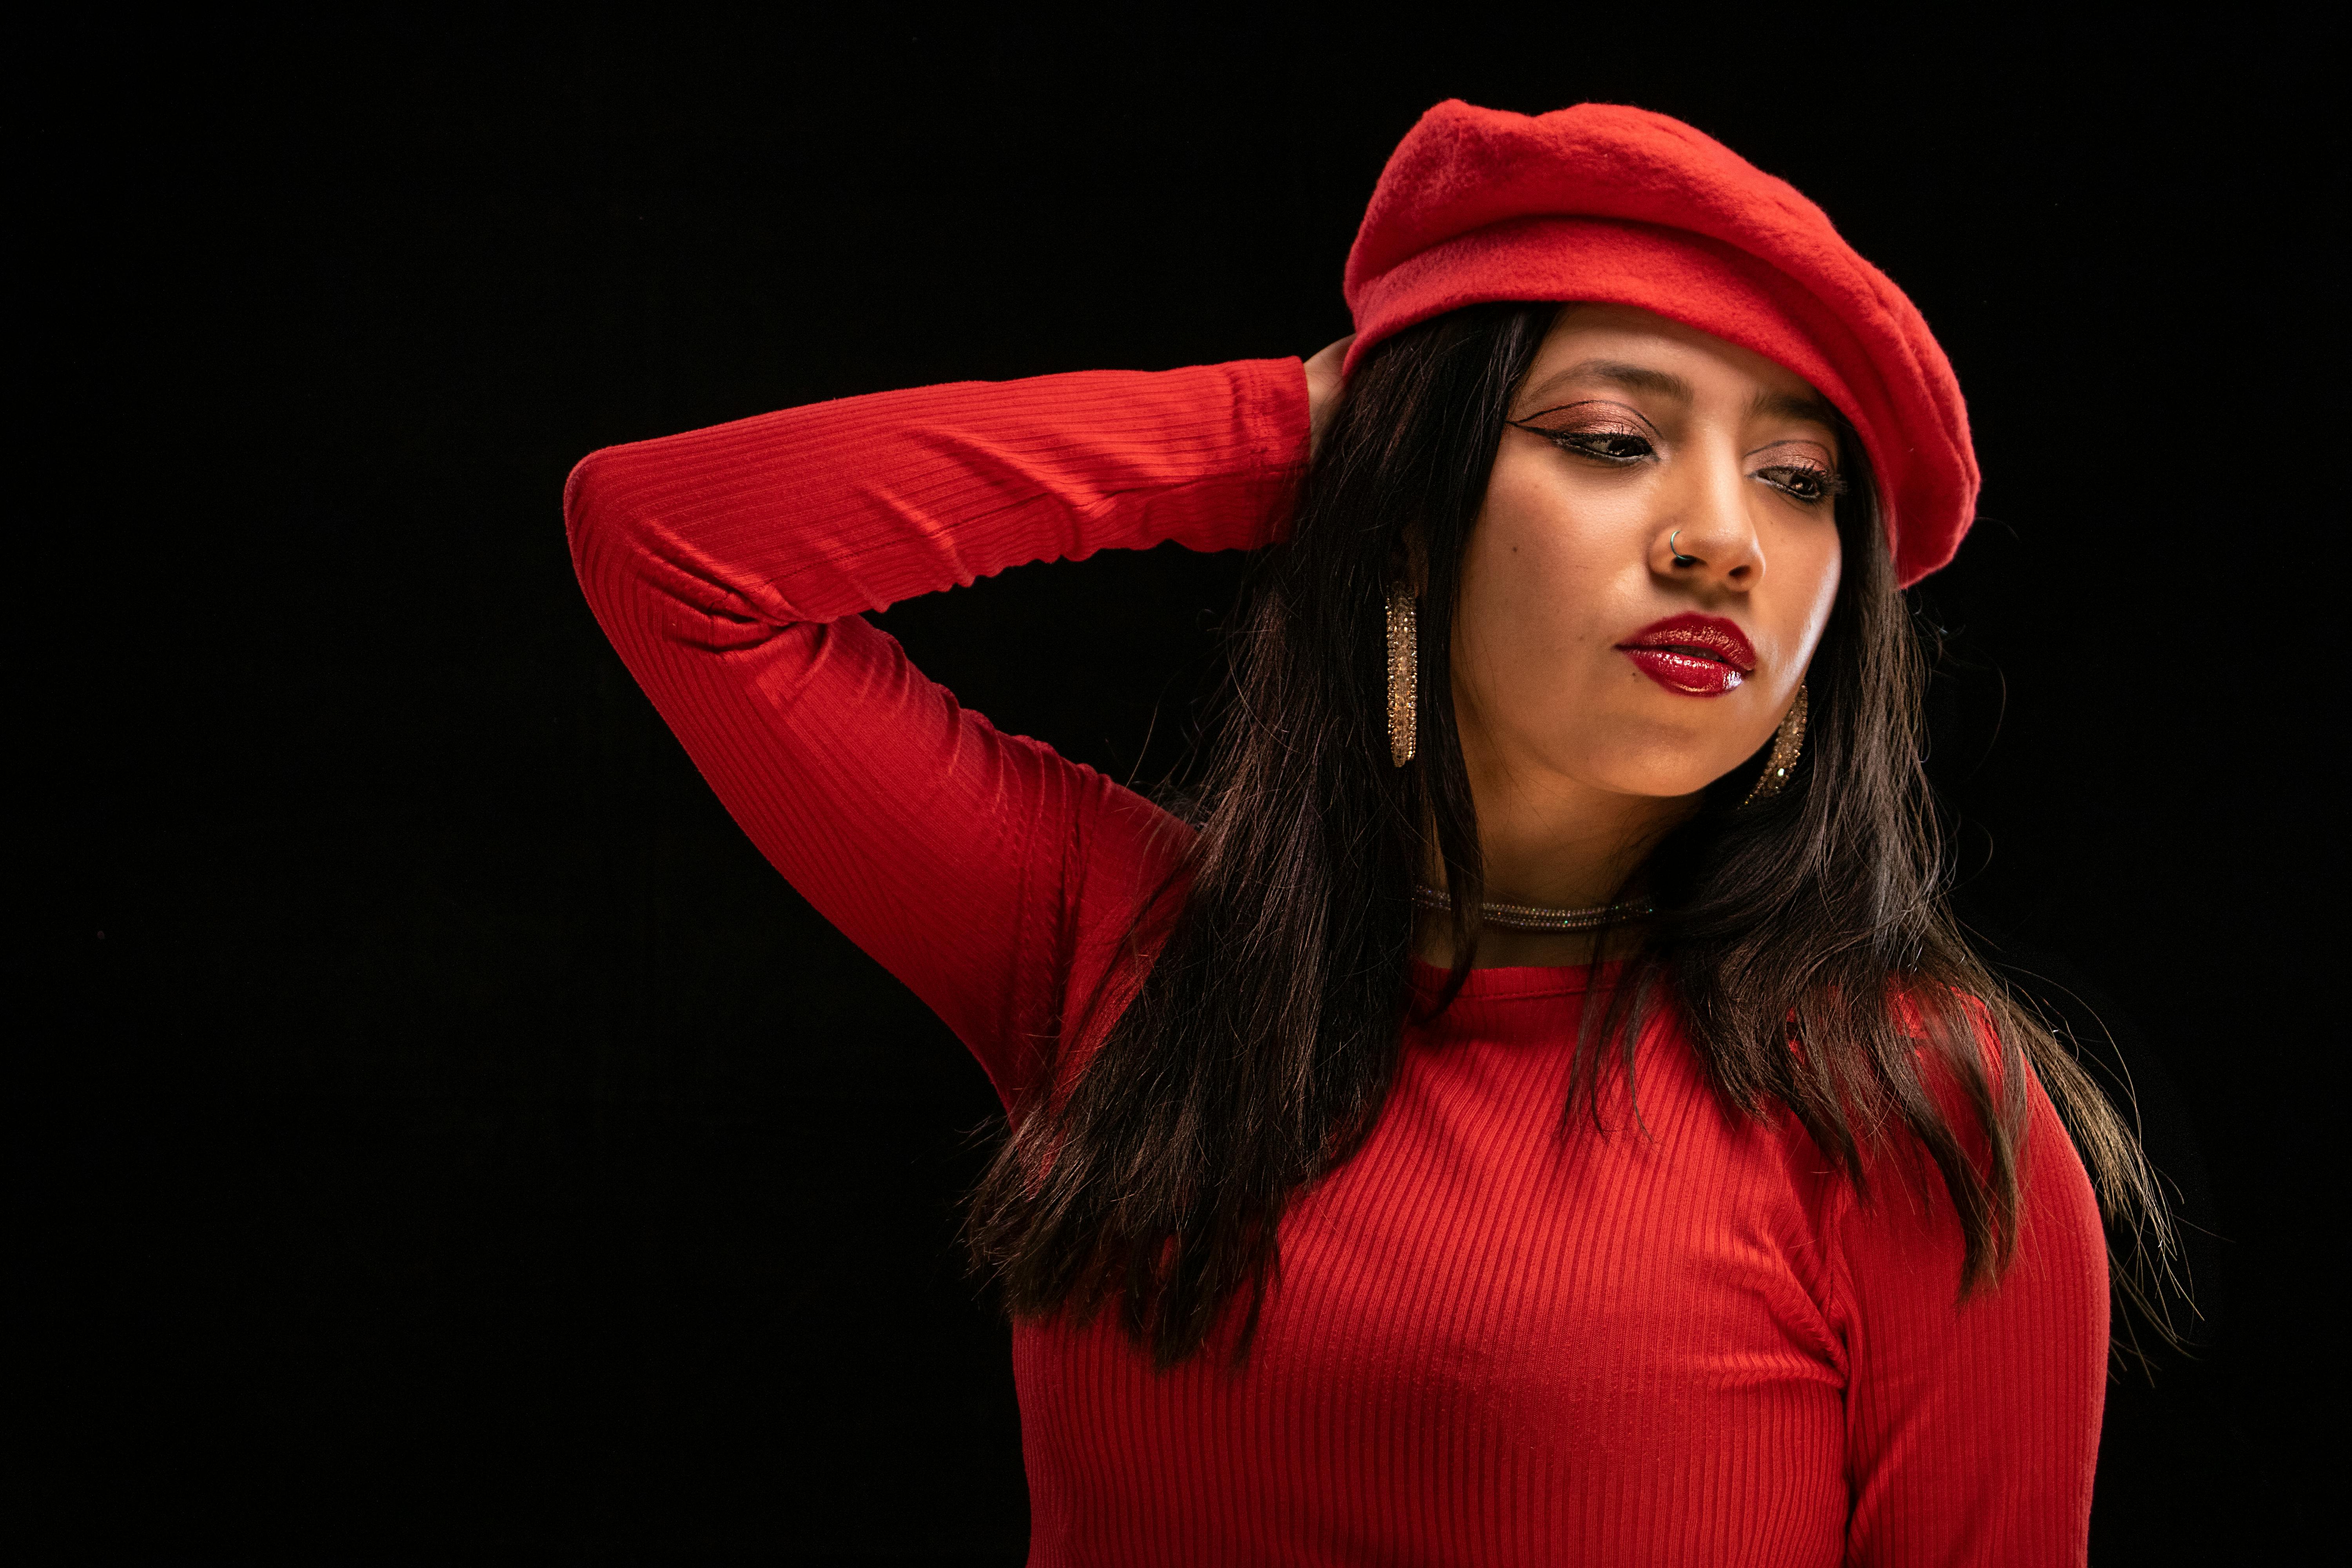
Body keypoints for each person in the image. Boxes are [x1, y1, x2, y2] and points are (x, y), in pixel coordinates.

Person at [565, 101, 2169, 1566]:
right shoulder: (1123, 951)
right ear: (1411, 502)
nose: (1722, 539)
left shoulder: (1915, 1110)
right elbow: (673, 550)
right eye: (1614, 439)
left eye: (1801, 480)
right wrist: (1290, 428)